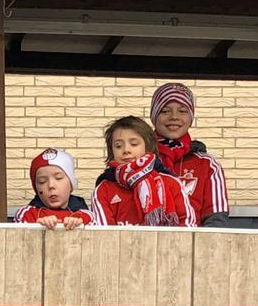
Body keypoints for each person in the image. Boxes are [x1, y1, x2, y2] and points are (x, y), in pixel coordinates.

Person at [148, 82, 231, 226]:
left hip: (194, 246)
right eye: (165, 111)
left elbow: (216, 222)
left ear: (191, 117)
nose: (174, 117)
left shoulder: (207, 165)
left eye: (182, 111)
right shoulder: (139, 161)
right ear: (153, 116)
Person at [91, 116, 196, 227]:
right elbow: (103, 234)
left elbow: (188, 226)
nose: (126, 150)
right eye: (118, 146)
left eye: (134, 144)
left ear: (148, 147)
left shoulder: (171, 183)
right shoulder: (103, 190)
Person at [13, 147, 95, 229]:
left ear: (71, 183)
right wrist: (38, 228)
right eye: (42, 181)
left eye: (58, 178)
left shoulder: (86, 216)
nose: (51, 185)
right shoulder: (26, 214)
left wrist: (78, 226)